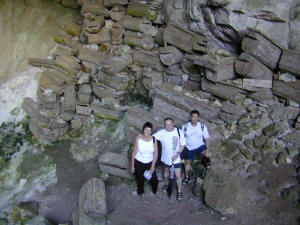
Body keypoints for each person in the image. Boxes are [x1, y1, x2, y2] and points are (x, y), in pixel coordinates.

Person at [153, 118, 186, 201]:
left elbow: (183, 145)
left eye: (170, 124)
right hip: (165, 158)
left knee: (178, 175)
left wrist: (177, 154)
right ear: (164, 125)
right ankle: (166, 184)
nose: (168, 126)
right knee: (166, 171)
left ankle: (179, 191)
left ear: (173, 123)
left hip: (176, 159)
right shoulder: (161, 132)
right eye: (166, 124)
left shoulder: (179, 132)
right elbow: (152, 138)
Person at [181, 110, 212, 185]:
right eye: (193, 116)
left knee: (209, 155)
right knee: (187, 162)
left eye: (196, 117)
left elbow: (207, 138)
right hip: (189, 147)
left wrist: (207, 150)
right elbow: (181, 138)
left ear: (198, 117)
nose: (194, 118)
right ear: (190, 117)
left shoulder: (202, 126)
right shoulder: (185, 126)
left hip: (199, 146)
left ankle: (205, 162)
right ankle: (187, 177)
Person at [131, 122, 158, 199]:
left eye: (149, 130)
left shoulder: (153, 139)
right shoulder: (138, 139)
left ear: (151, 131)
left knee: (154, 179)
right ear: (143, 130)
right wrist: (132, 166)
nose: (147, 132)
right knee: (140, 179)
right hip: (139, 162)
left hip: (150, 162)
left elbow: (156, 153)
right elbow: (134, 153)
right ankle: (141, 192)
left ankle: (155, 190)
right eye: (146, 130)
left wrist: (153, 166)